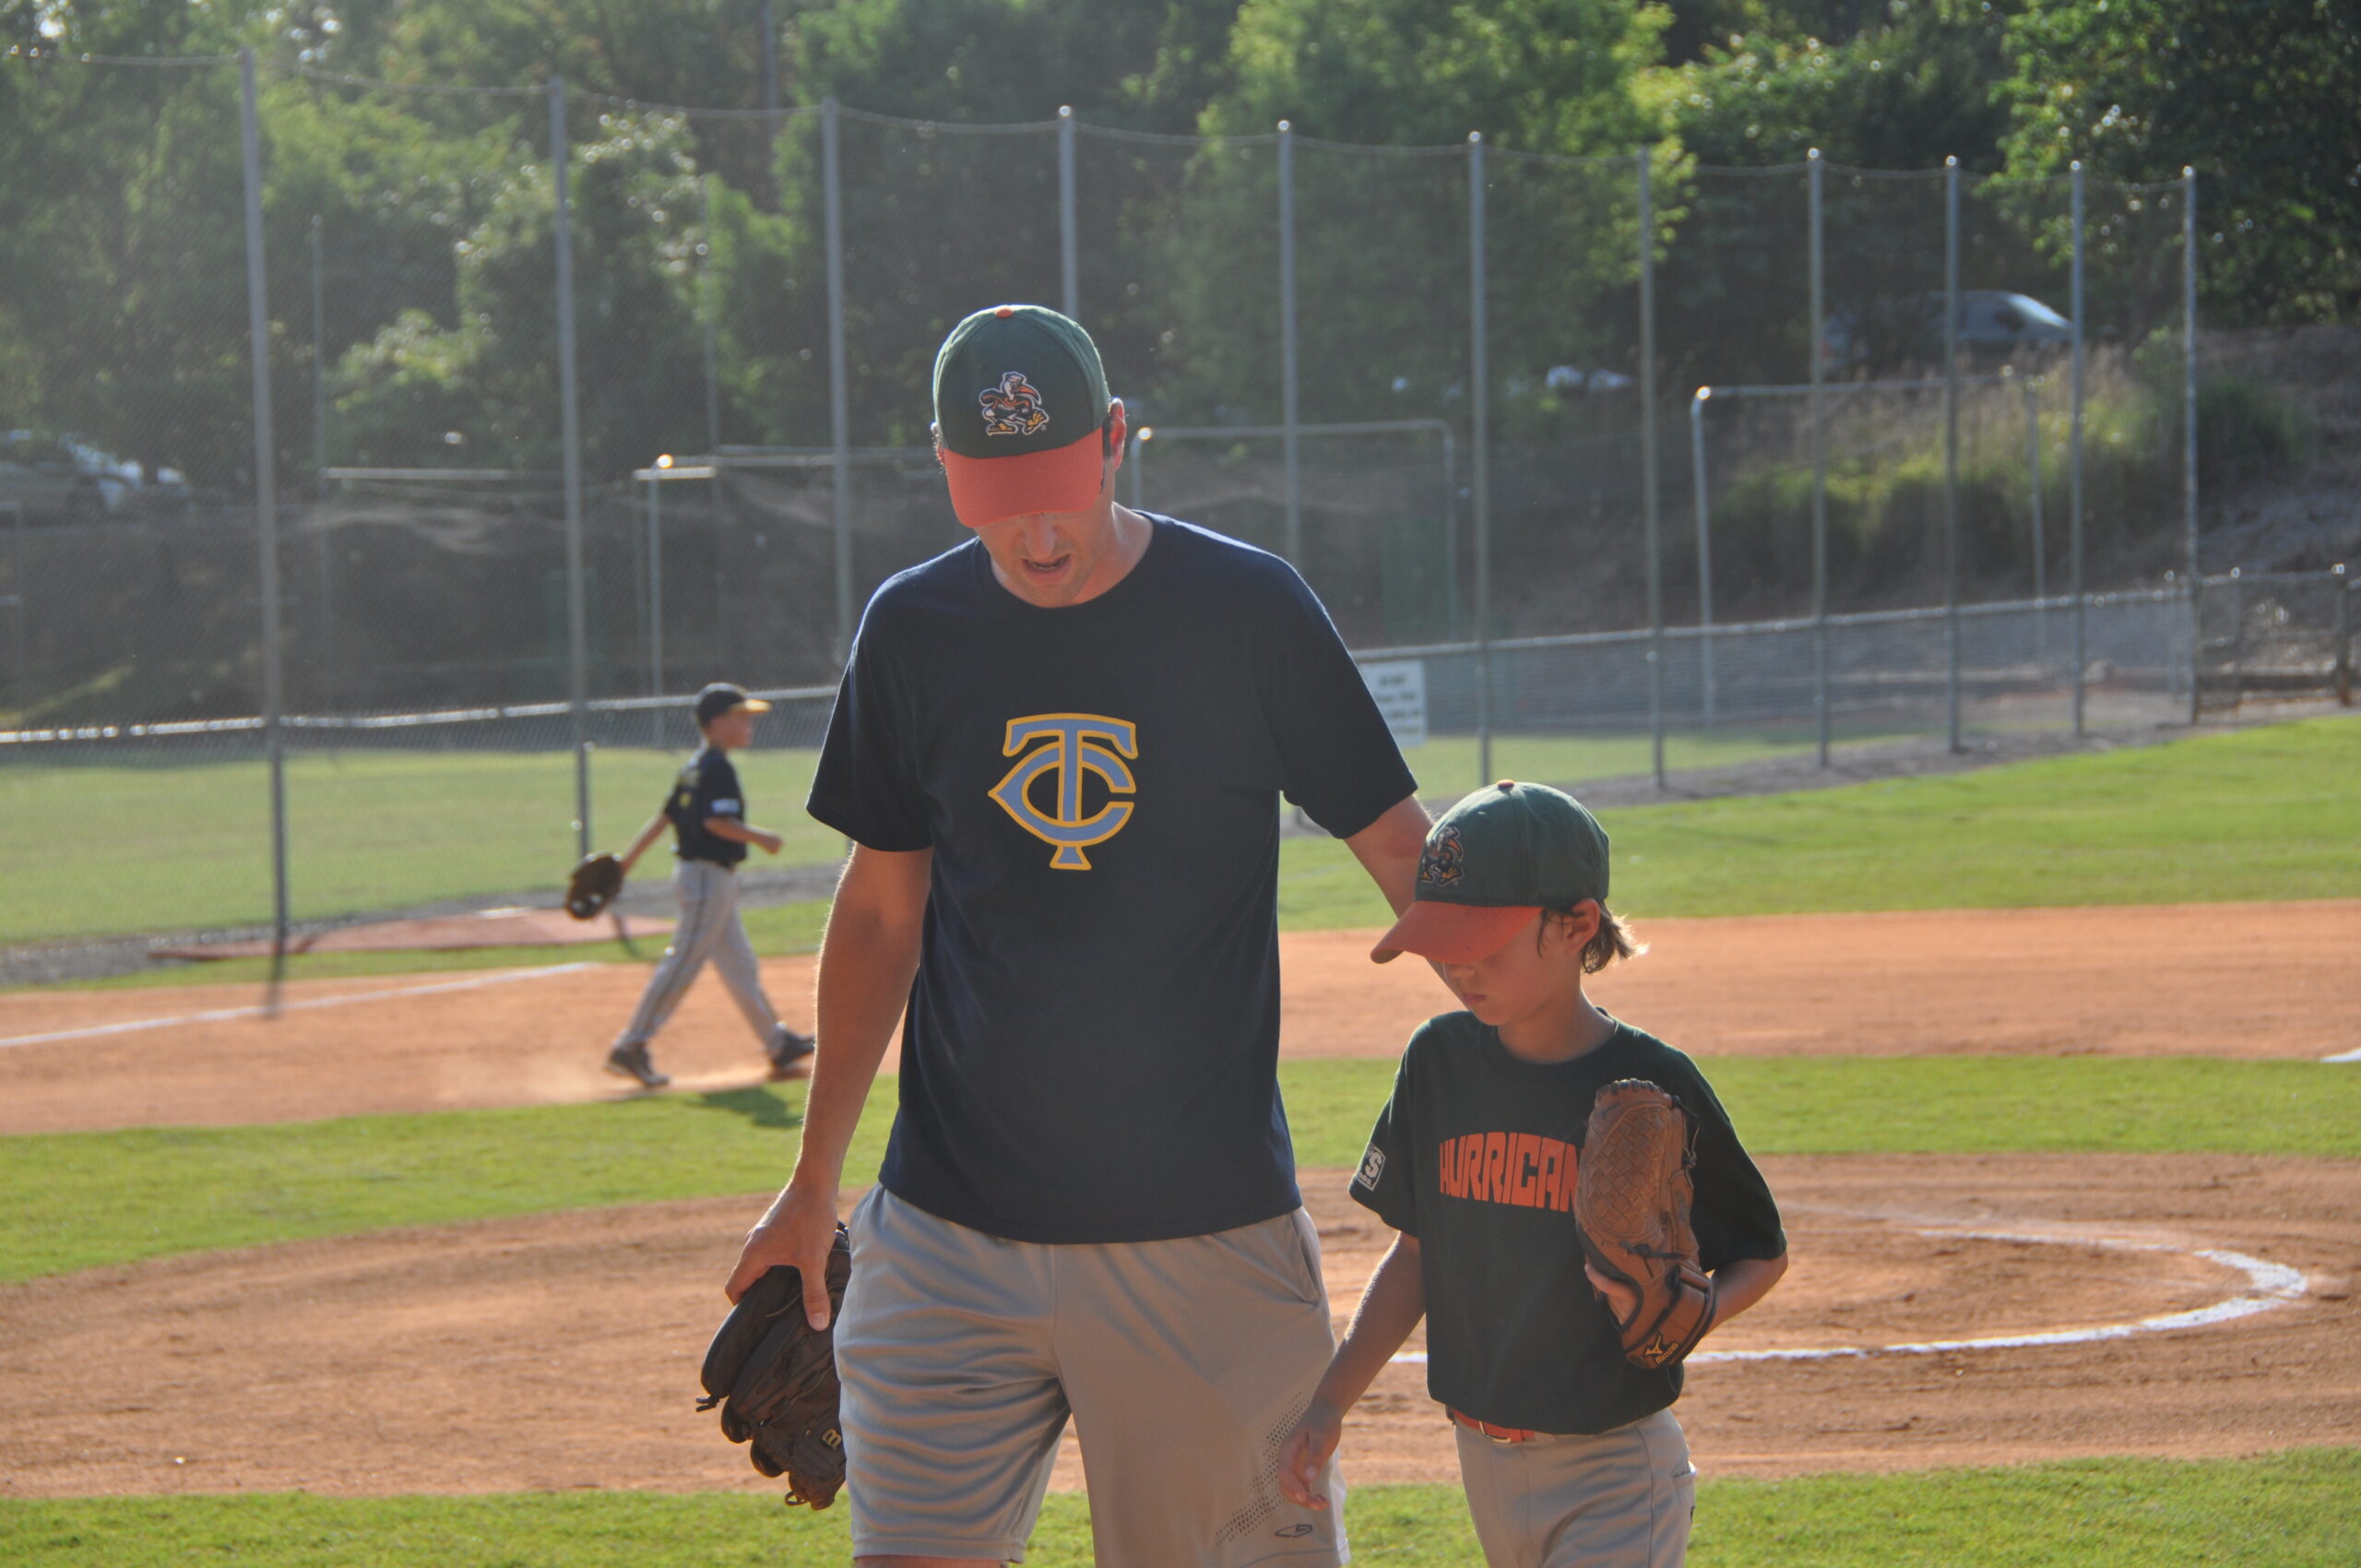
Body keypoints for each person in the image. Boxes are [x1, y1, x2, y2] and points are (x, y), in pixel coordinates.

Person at [723, 303, 1435, 1566]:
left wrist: (1551, 1037)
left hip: (1201, 1248)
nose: (1038, 535)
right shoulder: (912, 631)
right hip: (946, 1241)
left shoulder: (1246, 611)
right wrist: (815, 1180)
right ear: (943, 471)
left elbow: (1400, 851)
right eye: (999, 496)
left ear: (1115, 440)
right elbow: (884, 907)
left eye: (1059, 487)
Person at [1276, 781, 1789, 1568]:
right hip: (1481, 1458)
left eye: (1481, 941)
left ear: (1577, 923)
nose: (1454, 964)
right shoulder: (1438, 1062)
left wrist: (1691, 1313)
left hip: (1615, 1470)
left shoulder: (1651, 1088)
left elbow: (1762, 1249)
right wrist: (1328, 1400)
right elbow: (1417, 1255)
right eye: (1439, 940)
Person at [602, 682, 816, 1090]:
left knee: (740, 965)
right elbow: (715, 823)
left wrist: (625, 863)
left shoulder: (695, 765)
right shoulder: (716, 768)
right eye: (741, 718)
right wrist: (762, 838)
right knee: (682, 962)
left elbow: (663, 818)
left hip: (706, 878)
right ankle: (631, 1045)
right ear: (717, 724)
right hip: (706, 878)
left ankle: (778, 1043)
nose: (748, 726)